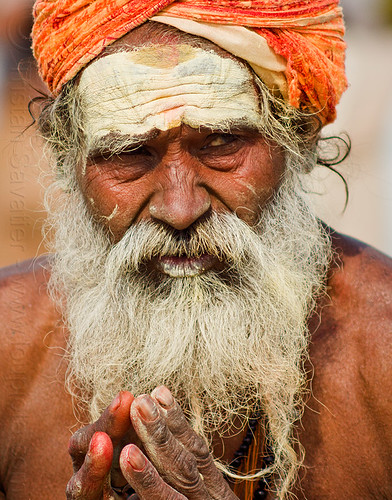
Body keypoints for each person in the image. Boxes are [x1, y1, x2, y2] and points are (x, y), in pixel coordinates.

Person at [0, 1, 391, 499]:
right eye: (128, 152)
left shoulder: (383, 356)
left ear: (298, 139)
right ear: (68, 161)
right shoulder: (7, 352)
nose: (180, 209)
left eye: (223, 144)